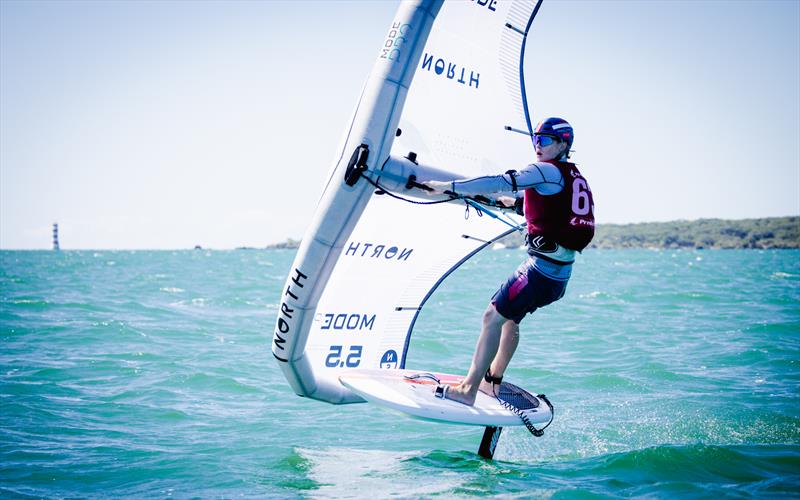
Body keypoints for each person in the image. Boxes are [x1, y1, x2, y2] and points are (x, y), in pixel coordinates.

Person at [421, 117, 595, 406]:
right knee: (510, 320)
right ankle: (492, 383)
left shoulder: (546, 171)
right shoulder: (572, 177)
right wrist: (475, 197)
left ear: (563, 144)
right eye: (536, 139)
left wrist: (446, 186)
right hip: (558, 279)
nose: (538, 146)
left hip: (539, 272)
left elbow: (501, 182)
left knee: (491, 317)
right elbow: (529, 206)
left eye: (545, 140)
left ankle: (467, 390)